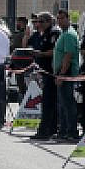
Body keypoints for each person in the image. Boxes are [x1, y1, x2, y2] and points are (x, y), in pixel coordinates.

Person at [28, 12, 61, 142]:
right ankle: (51, 129)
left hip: (52, 72)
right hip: (45, 72)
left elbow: (54, 51)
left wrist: (40, 54)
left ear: (48, 22)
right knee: (49, 102)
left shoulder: (54, 33)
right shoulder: (45, 34)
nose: (38, 24)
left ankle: (45, 131)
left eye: (41, 22)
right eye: (37, 22)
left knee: (48, 103)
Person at [52, 9, 80, 142]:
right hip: (62, 72)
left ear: (68, 19)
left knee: (68, 104)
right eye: (58, 18)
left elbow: (68, 56)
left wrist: (61, 74)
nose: (59, 21)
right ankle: (63, 131)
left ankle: (71, 132)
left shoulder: (69, 34)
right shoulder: (64, 33)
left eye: (62, 18)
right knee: (63, 104)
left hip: (66, 73)